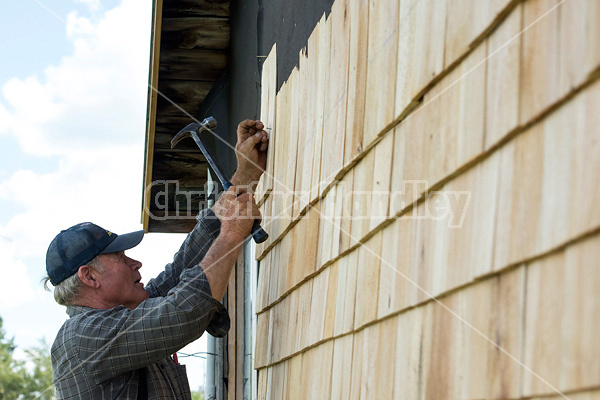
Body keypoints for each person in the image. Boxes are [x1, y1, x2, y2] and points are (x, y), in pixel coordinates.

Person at [43, 120, 269, 399]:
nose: (135, 263)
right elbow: (184, 312)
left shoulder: (127, 315)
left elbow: (182, 268)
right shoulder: (82, 337)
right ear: (89, 277)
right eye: (120, 257)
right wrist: (232, 234)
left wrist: (244, 176)